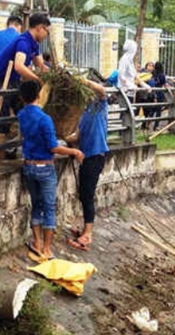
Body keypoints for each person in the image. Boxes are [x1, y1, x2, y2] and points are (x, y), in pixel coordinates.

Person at [18, 80, 84, 262]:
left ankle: (37, 242)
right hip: (44, 167)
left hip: (29, 166)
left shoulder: (22, 115)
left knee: (36, 204)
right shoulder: (45, 119)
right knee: (48, 207)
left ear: (22, 97)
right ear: (39, 96)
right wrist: (74, 151)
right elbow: (53, 148)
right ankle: (47, 249)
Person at [0, 13, 51, 136]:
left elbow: (41, 65)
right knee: (3, 122)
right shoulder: (23, 42)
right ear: (39, 28)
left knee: (23, 114)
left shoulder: (34, 44)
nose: (47, 36)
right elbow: (19, 66)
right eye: (47, 32)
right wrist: (38, 79)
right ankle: (2, 150)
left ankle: (16, 146)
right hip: (1, 84)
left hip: (14, 83)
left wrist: (51, 74)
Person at [67, 79, 108, 252]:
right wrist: (62, 139)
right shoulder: (84, 112)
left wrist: (82, 80)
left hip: (95, 156)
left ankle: (88, 234)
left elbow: (101, 89)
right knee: (83, 194)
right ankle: (84, 228)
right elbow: (77, 135)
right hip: (85, 157)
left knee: (88, 194)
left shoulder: (100, 105)